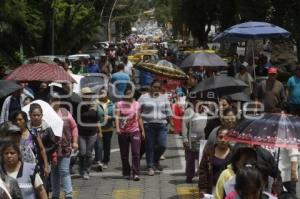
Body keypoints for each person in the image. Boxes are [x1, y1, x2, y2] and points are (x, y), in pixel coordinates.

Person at [138, 80, 173, 176]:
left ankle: (155, 160)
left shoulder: (164, 97)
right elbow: (137, 110)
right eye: (154, 87)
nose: (156, 89)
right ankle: (150, 166)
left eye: (158, 87)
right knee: (149, 147)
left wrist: (172, 124)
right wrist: (138, 122)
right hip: (148, 125)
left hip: (162, 125)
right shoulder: (144, 97)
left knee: (162, 145)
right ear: (151, 87)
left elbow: (168, 111)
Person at [49, 93, 78, 199]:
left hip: (65, 147)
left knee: (64, 171)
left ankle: (68, 194)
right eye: (53, 99)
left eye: (58, 99)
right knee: (54, 173)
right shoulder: (47, 114)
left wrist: (75, 141)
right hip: (52, 149)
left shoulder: (65, 112)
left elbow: (74, 127)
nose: (56, 101)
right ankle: (55, 195)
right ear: (49, 101)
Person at [115, 84, 145, 181]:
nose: (129, 96)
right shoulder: (119, 104)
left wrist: (142, 130)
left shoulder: (137, 104)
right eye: (127, 94)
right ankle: (126, 172)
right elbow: (117, 117)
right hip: (123, 132)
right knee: (124, 154)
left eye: (130, 94)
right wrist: (118, 128)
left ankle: (136, 173)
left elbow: (139, 118)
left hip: (135, 131)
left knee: (136, 152)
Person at [27, 103, 58, 192]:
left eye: (38, 115)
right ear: (30, 115)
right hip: (29, 161)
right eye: (34, 115)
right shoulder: (26, 128)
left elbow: (54, 145)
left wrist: (42, 152)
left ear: (42, 115)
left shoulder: (47, 128)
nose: (36, 117)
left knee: (43, 185)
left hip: (44, 161)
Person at [11, 111, 49, 175]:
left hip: (34, 168)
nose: (17, 122)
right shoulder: (12, 136)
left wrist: (46, 166)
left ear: (25, 120)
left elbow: (42, 149)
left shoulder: (33, 132)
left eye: (20, 120)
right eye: (16, 120)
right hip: (19, 170)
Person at [199, 127, 232, 195]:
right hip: (212, 189)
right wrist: (203, 189)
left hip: (229, 190)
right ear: (216, 138)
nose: (223, 140)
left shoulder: (234, 153)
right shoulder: (209, 152)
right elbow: (203, 171)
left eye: (226, 137)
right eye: (220, 137)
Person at [77, 87, 101, 180]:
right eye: (86, 94)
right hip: (81, 132)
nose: (88, 96)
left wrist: (96, 110)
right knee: (82, 152)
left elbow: (100, 118)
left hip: (92, 132)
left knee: (88, 153)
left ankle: (87, 171)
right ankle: (81, 168)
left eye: (89, 94)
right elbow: (76, 119)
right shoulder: (79, 106)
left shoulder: (95, 105)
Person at [182, 99, 208, 183]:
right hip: (191, 140)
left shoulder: (206, 110)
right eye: (196, 101)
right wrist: (185, 139)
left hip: (203, 140)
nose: (199, 102)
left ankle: (202, 176)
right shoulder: (188, 111)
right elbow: (184, 126)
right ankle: (189, 176)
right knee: (190, 159)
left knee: (202, 159)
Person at [96, 87, 115, 169]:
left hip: (108, 128)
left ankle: (106, 160)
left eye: (103, 93)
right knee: (99, 146)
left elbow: (116, 116)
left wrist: (110, 117)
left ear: (107, 95)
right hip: (98, 128)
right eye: (100, 93)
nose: (101, 95)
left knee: (107, 146)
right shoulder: (95, 103)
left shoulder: (111, 104)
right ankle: (99, 161)